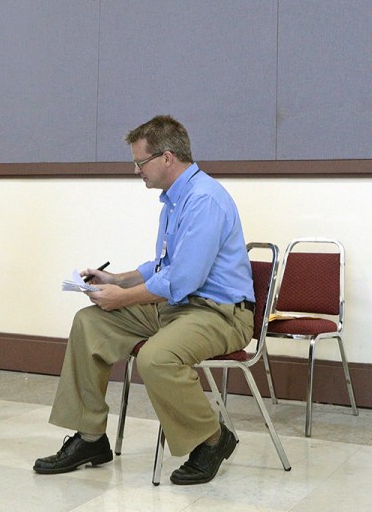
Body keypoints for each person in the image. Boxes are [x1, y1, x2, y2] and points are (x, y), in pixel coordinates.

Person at [33, 115, 254, 485]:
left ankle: (214, 438)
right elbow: (165, 266)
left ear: (167, 158)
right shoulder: (174, 201)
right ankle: (90, 438)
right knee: (90, 324)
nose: (137, 170)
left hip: (220, 313)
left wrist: (122, 298)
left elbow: (185, 278)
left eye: (140, 162)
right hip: (180, 308)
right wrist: (117, 279)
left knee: (156, 358)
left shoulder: (204, 200)